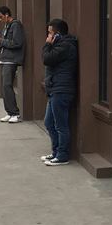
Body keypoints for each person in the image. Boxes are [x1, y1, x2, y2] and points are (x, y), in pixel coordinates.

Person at [41, 18, 78, 165]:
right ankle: (56, 151)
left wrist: (47, 44)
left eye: (50, 33)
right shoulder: (61, 45)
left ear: (57, 34)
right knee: (49, 122)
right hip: (55, 88)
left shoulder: (65, 46)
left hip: (61, 89)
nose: (48, 36)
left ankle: (62, 155)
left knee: (60, 124)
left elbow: (46, 59)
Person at [0, 5, 25, 123]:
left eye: (1, 17)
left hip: (11, 59)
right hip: (5, 58)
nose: (0, 20)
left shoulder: (16, 25)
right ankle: (9, 112)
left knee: (7, 85)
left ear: (7, 15)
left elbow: (17, 43)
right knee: (5, 86)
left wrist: (1, 41)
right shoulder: (7, 26)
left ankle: (15, 113)